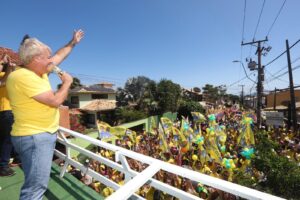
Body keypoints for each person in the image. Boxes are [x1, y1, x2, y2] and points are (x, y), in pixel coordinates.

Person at [6, 29, 84, 200]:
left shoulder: (38, 71)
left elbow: (59, 55)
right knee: (35, 189)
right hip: (35, 138)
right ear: (36, 59)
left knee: (33, 182)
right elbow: (55, 101)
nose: (51, 60)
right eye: (48, 57)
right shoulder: (24, 77)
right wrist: (67, 84)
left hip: (36, 135)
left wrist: (73, 42)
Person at [0, 53, 17, 176]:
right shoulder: (3, 76)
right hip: (6, 111)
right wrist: (2, 62)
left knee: (7, 139)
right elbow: (5, 80)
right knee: (7, 140)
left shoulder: (9, 76)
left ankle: (13, 159)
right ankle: (3, 166)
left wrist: (11, 67)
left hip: (8, 111)